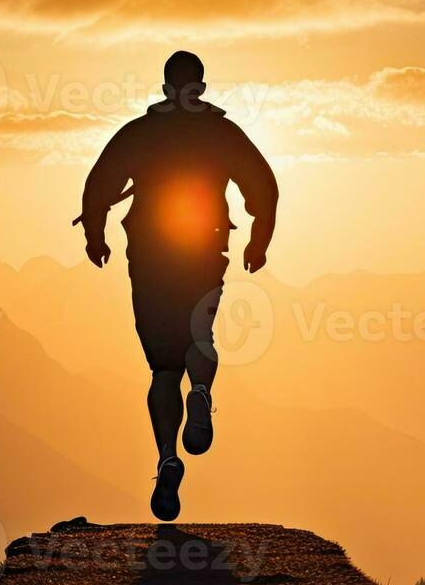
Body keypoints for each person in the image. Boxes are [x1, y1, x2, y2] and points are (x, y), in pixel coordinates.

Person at [78, 51, 279, 521]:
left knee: (162, 368)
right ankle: (203, 394)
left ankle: (168, 456)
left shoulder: (141, 131)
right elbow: (264, 188)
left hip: (149, 253)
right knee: (200, 336)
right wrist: (258, 242)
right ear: (201, 87)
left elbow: (99, 184)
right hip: (204, 248)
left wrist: (95, 235)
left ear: (166, 86)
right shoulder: (222, 132)